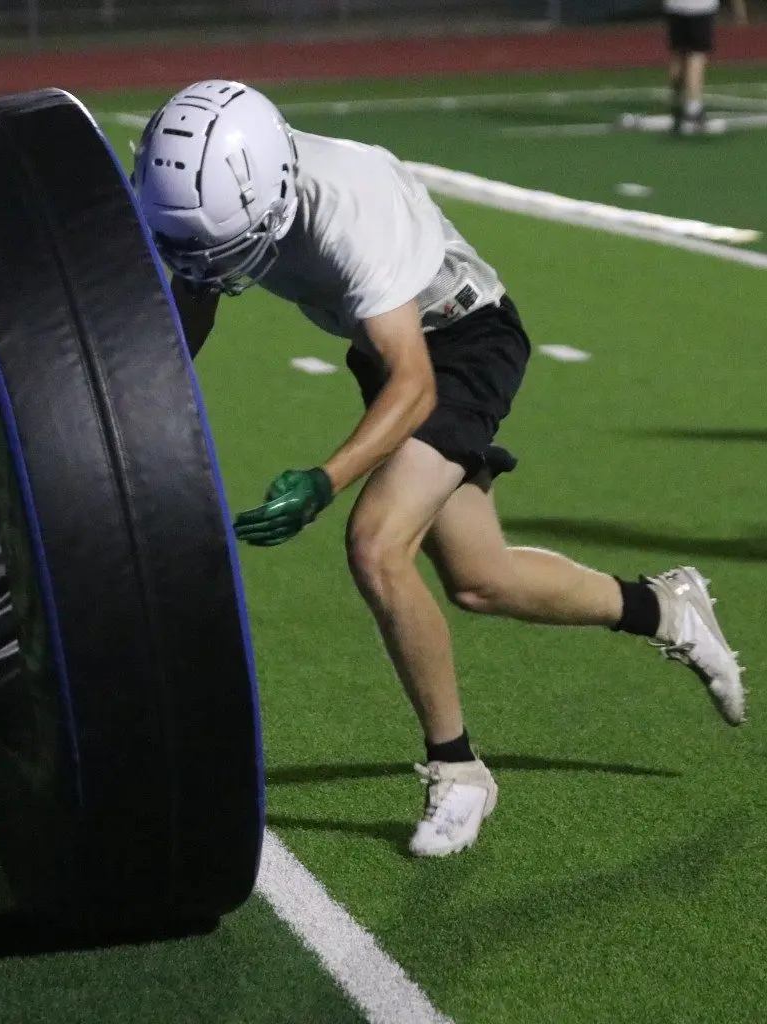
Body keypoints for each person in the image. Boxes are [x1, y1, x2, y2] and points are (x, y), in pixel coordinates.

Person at [131, 80, 747, 858]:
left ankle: (458, 771)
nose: (208, 263)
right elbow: (197, 291)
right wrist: (135, 407)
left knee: (375, 545)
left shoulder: (350, 207)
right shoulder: (228, 190)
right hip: (390, 347)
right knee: (482, 579)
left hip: (461, 343)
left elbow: (415, 385)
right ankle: (666, 608)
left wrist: (323, 482)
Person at [664, 0, 721, 134]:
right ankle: (693, 108)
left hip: (674, 6)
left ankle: (676, 102)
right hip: (699, 7)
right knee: (696, 54)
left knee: (679, 54)